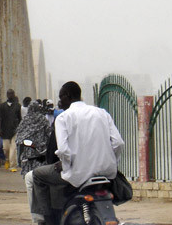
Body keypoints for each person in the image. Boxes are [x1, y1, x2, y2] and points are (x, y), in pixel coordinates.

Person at [31, 81, 125, 224]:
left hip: (78, 174)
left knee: (37, 175)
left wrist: (65, 165)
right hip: (106, 173)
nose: (60, 102)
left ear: (67, 96)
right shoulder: (102, 113)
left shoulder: (63, 117)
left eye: (60, 98)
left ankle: (46, 221)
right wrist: (111, 161)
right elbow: (118, 143)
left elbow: (63, 150)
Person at [0, 89, 22, 171]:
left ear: (14, 94)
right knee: (6, 149)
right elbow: (0, 119)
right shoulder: (2, 106)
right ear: (7, 95)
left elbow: (20, 118)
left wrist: (20, 128)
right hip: (5, 131)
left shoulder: (18, 106)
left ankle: (13, 166)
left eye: (12, 94)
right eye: (9, 94)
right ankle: (7, 160)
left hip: (15, 130)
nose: (10, 95)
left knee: (13, 149)